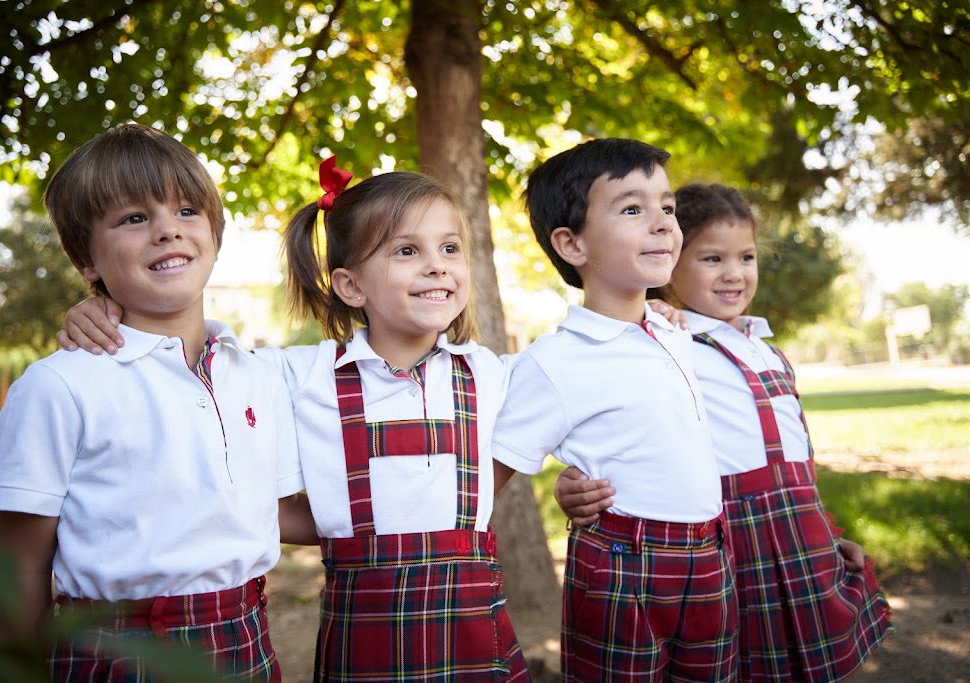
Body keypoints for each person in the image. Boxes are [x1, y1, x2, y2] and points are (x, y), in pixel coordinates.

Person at [57, 157, 530, 681]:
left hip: (475, 631)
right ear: (351, 287)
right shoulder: (292, 375)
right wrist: (102, 309)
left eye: (449, 248)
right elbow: (190, 355)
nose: (438, 265)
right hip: (364, 635)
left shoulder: (492, 374)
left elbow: (579, 408)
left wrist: (574, 487)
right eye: (406, 251)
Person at [0, 123, 315, 682]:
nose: (167, 230)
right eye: (134, 218)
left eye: (187, 209)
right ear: (87, 260)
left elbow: (273, 511)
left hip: (245, 638)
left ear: (214, 232)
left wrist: (402, 515)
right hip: (115, 652)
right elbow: (20, 566)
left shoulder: (259, 377)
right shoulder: (58, 387)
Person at [556, 183, 893, 681]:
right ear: (671, 262)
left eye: (747, 257)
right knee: (734, 663)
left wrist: (827, 532)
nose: (734, 273)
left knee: (800, 662)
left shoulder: (768, 348)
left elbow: (796, 460)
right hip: (728, 538)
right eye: (712, 258)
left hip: (797, 532)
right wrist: (575, 478)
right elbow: (619, 419)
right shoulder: (664, 341)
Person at [491, 138, 738, 682]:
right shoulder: (556, 360)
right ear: (572, 244)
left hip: (710, 554)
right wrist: (565, 487)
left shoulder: (671, 329)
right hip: (624, 563)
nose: (662, 224)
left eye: (667, 208)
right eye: (632, 209)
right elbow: (492, 473)